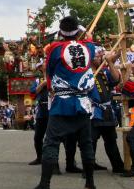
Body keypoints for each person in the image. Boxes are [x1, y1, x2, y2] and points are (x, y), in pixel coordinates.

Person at [33, 15, 96, 189]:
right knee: (86, 143)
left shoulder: (55, 48)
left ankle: (44, 184)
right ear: (78, 30)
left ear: (61, 32)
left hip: (62, 102)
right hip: (83, 102)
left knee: (51, 142)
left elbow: (50, 71)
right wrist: (83, 30)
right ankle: (90, 182)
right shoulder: (89, 48)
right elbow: (89, 38)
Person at [89, 46, 124, 173]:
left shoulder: (103, 72)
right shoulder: (86, 73)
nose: (99, 57)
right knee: (90, 141)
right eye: (97, 56)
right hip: (93, 112)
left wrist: (110, 62)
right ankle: (89, 168)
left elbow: (116, 79)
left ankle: (118, 166)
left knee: (111, 141)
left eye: (100, 55)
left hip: (107, 111)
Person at [29, 65, 48, 166]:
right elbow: (33, 93)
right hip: (41, 109)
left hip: (54, 109)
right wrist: (43, 83)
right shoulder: (37, 80)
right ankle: (39, 157)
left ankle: (70, 161)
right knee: (38, 137)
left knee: (61, 137)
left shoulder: (55, 76)